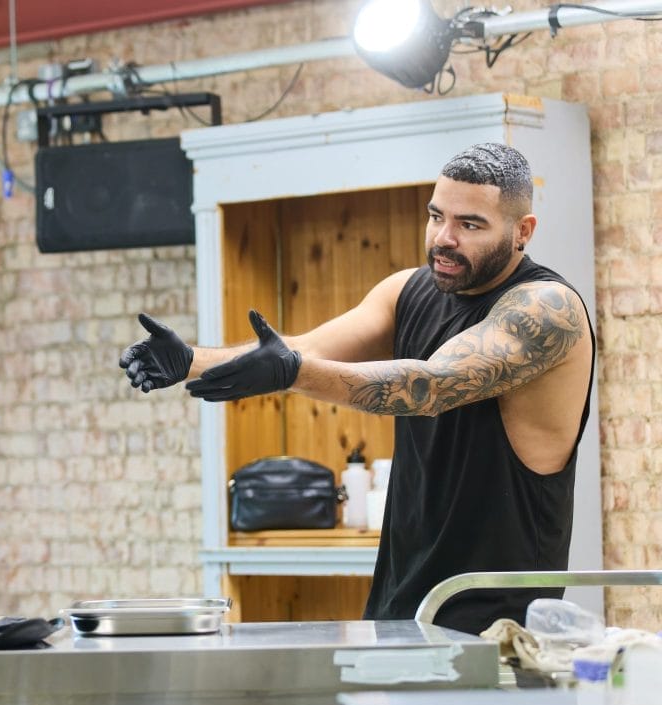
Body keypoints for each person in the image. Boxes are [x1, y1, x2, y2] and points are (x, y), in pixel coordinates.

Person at [118, 142, 595, 635]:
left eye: (470, 225)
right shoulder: (407, 291)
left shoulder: (545, 309)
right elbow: (304, 348)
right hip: (401, 609)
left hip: (498, 630)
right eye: (436, 217)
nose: (444, 238)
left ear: (523, 231)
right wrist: (190, 360)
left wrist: (294, 373)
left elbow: (431, 386)